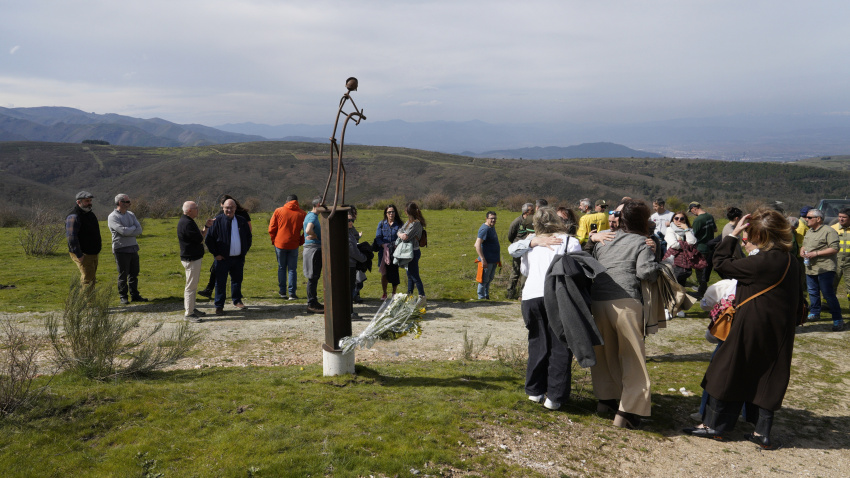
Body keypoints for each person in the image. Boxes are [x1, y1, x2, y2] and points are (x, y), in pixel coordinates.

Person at [684, 209, 802, 450]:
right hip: (780, 327)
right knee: (769, 374)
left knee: (726, 370)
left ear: (761, 235)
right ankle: (762, 432)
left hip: (752, 323)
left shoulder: (762, 261)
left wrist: (732, 235)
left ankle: (714, 425)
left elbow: (721, 263)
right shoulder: (792, 261)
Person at [585, 200, 662, 429]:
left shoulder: (604, 239)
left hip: (599, 302)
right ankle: (628, 412)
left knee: (605, 354)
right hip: (626, 303)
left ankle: (606, 400)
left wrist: (592, 239)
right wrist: (659, 262)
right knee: (633, 359)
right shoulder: (642, 242)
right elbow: (645, 272)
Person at [508, 207, 582, 410]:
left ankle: (534, 391)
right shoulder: (569, 242)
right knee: (560, 345)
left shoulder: (531, 243)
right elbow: (576, 269)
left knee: (537, 342)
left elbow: (525, 270)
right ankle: (555, 397)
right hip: (558, 295)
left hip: (531, 295)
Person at [204, 198, 253, 315]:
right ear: (223, 208)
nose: (229, 210)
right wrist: (216, 254)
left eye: (231, 208)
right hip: (222, 259)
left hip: (238, 258)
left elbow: (248, 237)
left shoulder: (241, 221)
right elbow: (209, 239)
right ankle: (219, 306)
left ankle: (237, 301)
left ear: (235, 208)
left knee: (237, 280)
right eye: (227, 208)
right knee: (220, 282)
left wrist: (244, 251)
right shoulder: (217, 221)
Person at [801, 209, 844, 331]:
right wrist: (802, 251)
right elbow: (804, 245)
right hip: (810, 268)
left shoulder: (829, 231)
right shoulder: (809, 231)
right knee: (812, 292)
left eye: (809, 217)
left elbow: (835, 249)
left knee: (828, 294)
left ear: (818, 219)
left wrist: (816, 253)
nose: (806, 219)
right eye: (806, 217)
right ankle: (814, 313)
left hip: (825, 268)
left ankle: (837, 319)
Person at [107, 194, 147, 304]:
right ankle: (123, 297)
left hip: (133, 247)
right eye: (128, 201)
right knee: (123, 274)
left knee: (134, 273)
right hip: (121, 248)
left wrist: (129, 230)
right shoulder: (112, 217)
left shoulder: (131, 214)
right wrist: (133, 228)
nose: (130, 203)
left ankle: (135, 295)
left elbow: (139, 230)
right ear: (120, 203)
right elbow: (123, 232)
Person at [178, 201, 214, 322]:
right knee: (190, 286)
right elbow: (200, 238)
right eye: (196, 208)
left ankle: (192, 308)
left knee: (193, 285)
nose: (198, 209)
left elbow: (200, 235)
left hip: (193, 257)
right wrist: (203, 232)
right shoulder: (187, 223)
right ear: (189, 210)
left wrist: (206, 226)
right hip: (191, 258)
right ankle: (189, 313)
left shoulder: (188, 221)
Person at [269, 194, 307, 300]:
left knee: (281, 268)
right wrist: (300, 241)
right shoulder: (303, 214)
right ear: (297, 202)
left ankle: (282, 292)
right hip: (294, 244)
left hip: (280, 244)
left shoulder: (278, 211)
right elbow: (306, 231)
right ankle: (292, 293)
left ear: (287, 201)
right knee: (292, 269)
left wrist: (274, 240)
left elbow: (271, 228)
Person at [65, 191, 102, 287]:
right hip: (84, 253)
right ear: (79, 202)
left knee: (92, 278)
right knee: (87, 280)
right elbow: (71, 238)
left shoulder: (90, 214)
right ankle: (86, 297)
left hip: (93, 252)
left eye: (90, 201)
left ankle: (90, 297)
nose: (89, 203)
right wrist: (79, 255)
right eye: (86, 201)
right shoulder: (74, 216)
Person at [398, 202, 426, 304]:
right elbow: (400, 231)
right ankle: (409, 295)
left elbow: (406, 237)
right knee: (409, 275)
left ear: (409, 211)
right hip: (408, 252)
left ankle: (422, 297)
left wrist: (401, 235)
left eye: (406, 210)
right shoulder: (409, 222)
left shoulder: (416, 224)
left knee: (414, 275)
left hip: (413, 252)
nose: (404, 211)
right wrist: (401, 234)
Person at [374, 204, 403, 300]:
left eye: (393, 212)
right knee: (384, 273)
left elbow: (401, 237)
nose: (391, 214)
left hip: (395, 252)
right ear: (386, 213)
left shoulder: (399, 224)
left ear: (395, 213)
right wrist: (384, 245)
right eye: (389, 212)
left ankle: (394, 293)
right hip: (383, 252)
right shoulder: (381, 224)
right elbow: (378, 237)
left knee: (394, 272)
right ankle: (384, 293)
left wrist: (395, 246)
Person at [506, 203, 534, 300]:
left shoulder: (533, 221)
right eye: (531, 210)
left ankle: (522, 295)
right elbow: (510, 236)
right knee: (516, 271)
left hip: (528, 249)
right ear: (526, 212)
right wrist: (517, 245)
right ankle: (510, 294)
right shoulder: (517, 221)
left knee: (525, 272)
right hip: (518, 250)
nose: (533, 212)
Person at [689, 201, 717, 297]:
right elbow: (715, 229)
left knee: (700, 270)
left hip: (701, 248)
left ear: (694, 208)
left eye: (691, 211)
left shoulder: (698, 220)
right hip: (710, 247)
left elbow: (693, 235)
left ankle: (701, 292)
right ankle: (704, 289)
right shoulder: (709, 216)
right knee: (707, 269)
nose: (692, 213)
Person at [303, 197, 325, 313]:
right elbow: (308, 230)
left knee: (313, 277)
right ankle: (311, 304)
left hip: (310, 249)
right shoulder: (313, 217)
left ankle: (313, 302)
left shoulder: (309, 215)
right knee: (313, 277)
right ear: (318, 205)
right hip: (314, 250)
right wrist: (314, 235)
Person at [664, 211, 697, 286]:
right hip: (673, 260)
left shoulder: (689, 230)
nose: (679, 220)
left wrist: (686, 230)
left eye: (682, 218)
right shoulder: (670, 229)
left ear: (685, 220)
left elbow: (692, 242)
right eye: (676, 218)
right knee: (673, 284)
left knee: (682, 283)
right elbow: (674, 245)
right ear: (673, 219)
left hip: (686, 260)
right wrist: (687, 245)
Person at [474, 211, 500, 300]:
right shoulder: (484, 229)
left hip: (493, 259)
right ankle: (481, 298)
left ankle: (486, 296)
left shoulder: (491, 227)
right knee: (483, 280)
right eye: (491, 218)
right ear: (486, 219)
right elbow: (477, 244)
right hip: (486, 260)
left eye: (494, 218)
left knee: (489, 279)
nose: (493, 220)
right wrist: (482, 259)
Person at [348, 207, 367, 320]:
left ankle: (349, 311)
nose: (351, 222)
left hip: (351, 264)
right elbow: (353, 251)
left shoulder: (349, 232)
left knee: (350, 289)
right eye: (348, 220)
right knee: (349, 290)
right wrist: (363, 258)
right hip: (349, 265)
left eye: (352, 220)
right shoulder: (347, 234)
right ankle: (349, 313)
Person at [832, 208, 850, 301]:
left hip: (849, 263)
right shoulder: (832, 228)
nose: (841, 219)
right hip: (835, 262)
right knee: (831, 284)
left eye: (844, 217)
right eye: (839, 217)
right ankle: (827, 304)